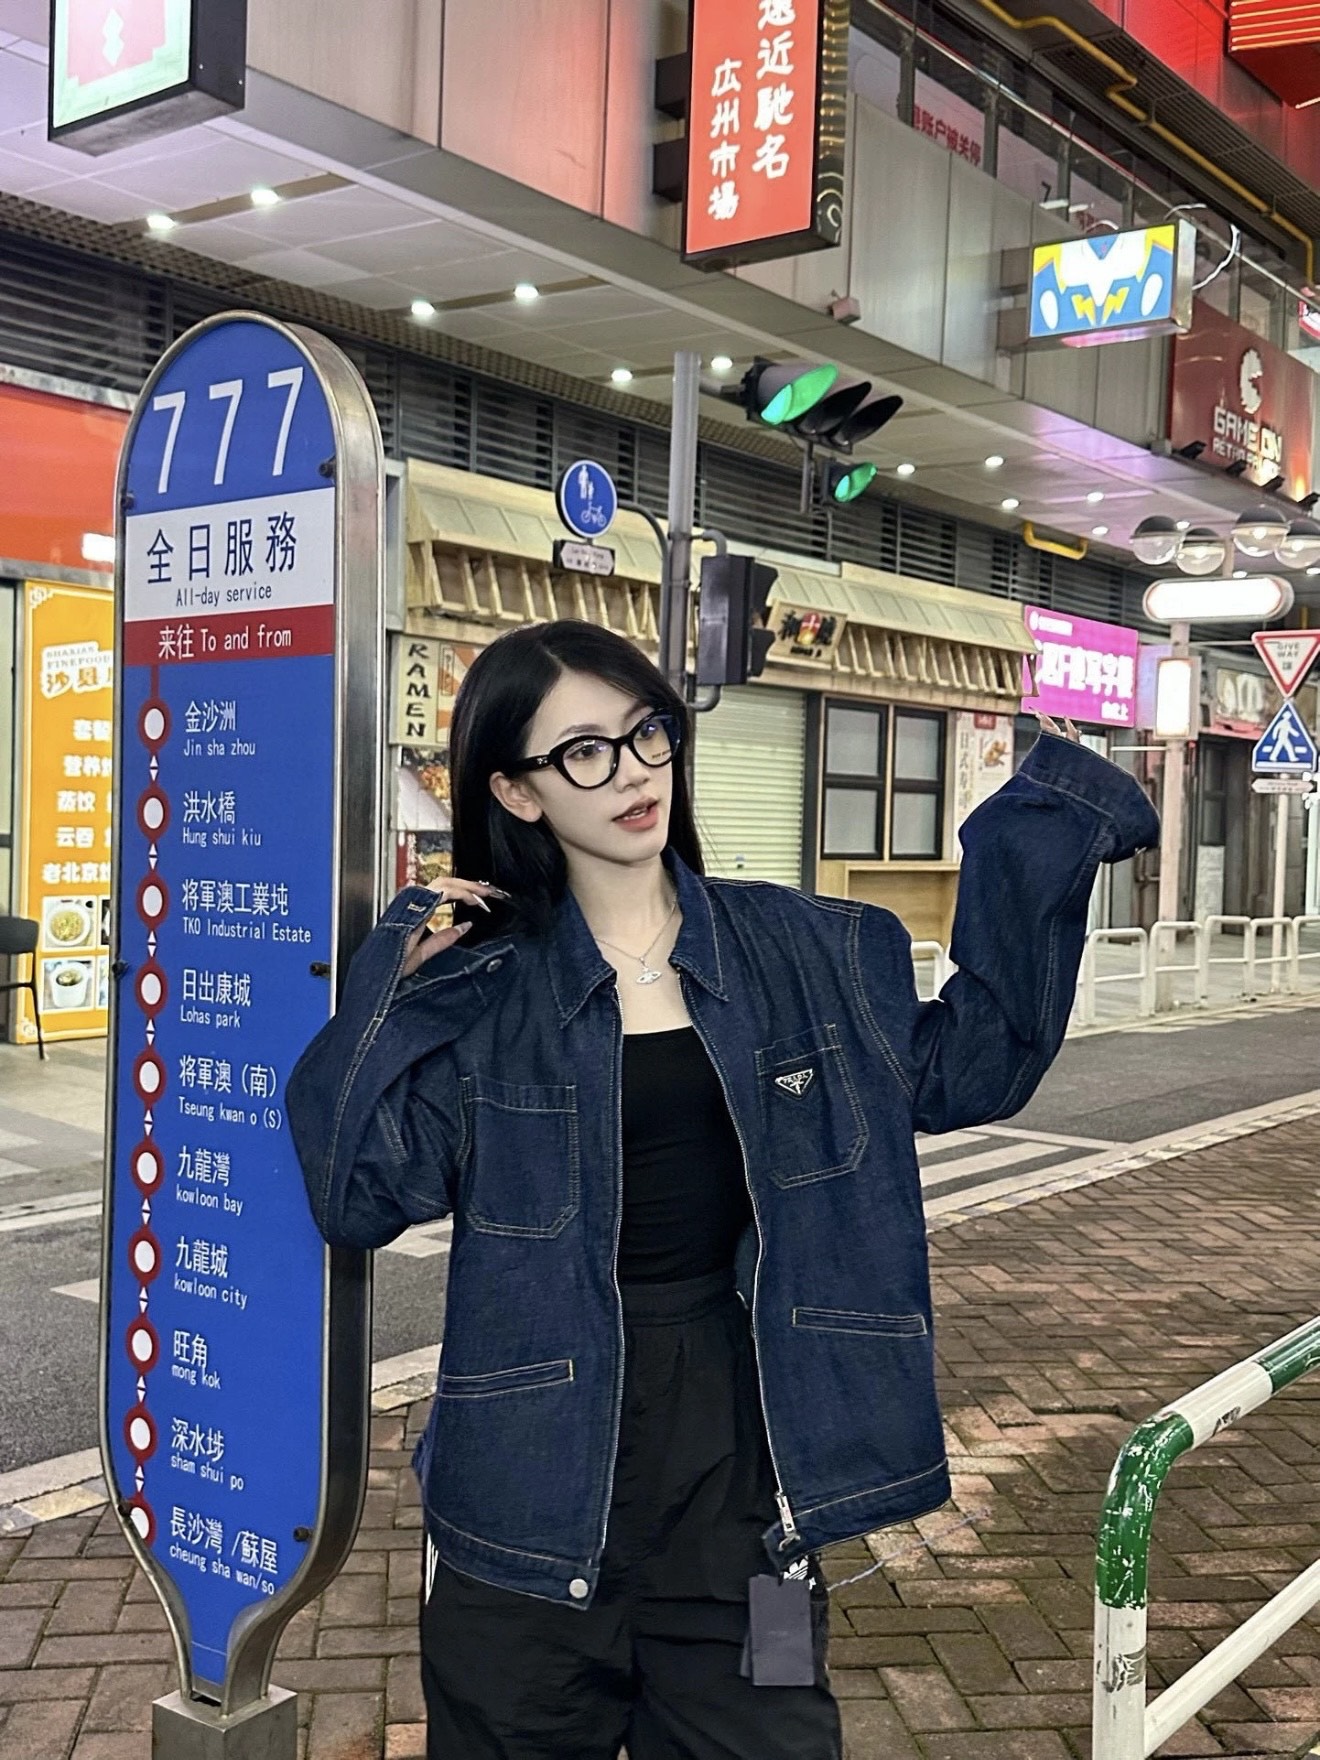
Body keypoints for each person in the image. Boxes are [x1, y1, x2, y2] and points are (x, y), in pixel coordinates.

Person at [287, 618, 1158, 1759]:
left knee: (778, 1722)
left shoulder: (806, 951)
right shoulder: (486, 991)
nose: (633, 771)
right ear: (515, 790)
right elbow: (357, 1195)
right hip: (524, 1490)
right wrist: (391, 989)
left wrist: (1045, 827)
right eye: (584, 751)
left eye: (646, 732)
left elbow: (975, 1066)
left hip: (753, 1488)